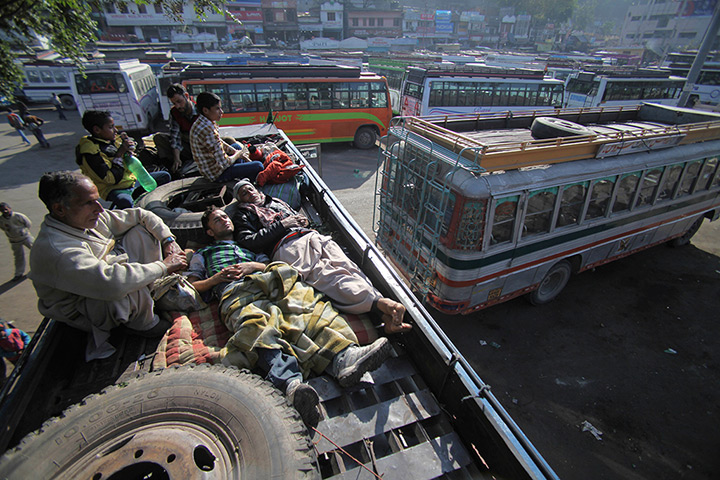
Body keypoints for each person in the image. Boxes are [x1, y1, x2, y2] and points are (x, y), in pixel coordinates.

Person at [187, 206, 393, 426]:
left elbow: (269, 265)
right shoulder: (203, 255)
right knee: (255, 326)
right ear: (209, 232)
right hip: (236, 291)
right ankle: (291, 385)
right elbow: (191, 285)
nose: (224, 220)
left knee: (308, 305)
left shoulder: (247, 246)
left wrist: (252, 266)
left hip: (269, 282)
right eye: (217, 220)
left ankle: (344, 358)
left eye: (225, 216)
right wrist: (216, 279)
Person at [29, 171, 188, 359]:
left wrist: (168, 240)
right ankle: (144, 324)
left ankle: (150, 294)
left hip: (109, 275)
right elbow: (112, 283)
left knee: (141, 231)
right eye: (89, 203)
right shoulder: (57, 250)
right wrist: (165, 266)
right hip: (86, 307)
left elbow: (141, 215)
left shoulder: (88, 219)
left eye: (97, 200)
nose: (99, 208)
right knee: (123, 284)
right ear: (60, 209)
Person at [232, 179, 413, 335]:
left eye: (250, 188)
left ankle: (384, 316)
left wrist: (302, 221)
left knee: (348, 267)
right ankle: (382, 304)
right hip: (289, 247)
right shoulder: (244, 214)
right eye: (243, 193)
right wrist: (282, 225)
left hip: (311, 236)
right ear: (241, 200)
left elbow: (295, 217)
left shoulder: (275, 202)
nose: (249, 193)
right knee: (326, 276)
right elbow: (248, 241)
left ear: (256, 189)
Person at [76, 110, 171, 209]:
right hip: (114, 188)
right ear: (97, 130)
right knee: (126, 202)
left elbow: (131, 144)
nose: (115, 130)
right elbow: (111, 180)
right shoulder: (90, 152)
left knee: (164, 176)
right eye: (110, 127)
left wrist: (130, 146)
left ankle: (142, 199)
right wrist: (120, 153)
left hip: (130, 181)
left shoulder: (111, 139)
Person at [189, 91, 264, 182]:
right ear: (205, 110)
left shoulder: (203, 122)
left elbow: (219, 142)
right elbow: (225, 163)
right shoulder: (207, 130)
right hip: (216, 174)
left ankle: (239, 173)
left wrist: (237, 152)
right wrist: (238, 154)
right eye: (217, 109)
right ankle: (242, 179)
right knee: (258, 166)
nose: (221, 112)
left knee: (236, 147)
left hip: (212, 165)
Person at [153, 84, 198, 175]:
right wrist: (177, 159)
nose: (178, 106)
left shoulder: (200, 110)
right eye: (174, 103)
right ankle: (171, 167)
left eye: (179, 101)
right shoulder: (174, 113)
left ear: (186, 96)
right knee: (159, 138)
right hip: (185, 147)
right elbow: (175, 137)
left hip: (200, 146)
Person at [0, 202, 34, 281]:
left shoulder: (18, 216)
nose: (5, 211)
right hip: (14, 241)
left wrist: (23, 232)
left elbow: (28, 224)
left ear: (9, 208)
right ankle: (19, 273)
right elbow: (3, 228)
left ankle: (42, 268)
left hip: (25, 237)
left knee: (36, 251)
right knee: (18, 257)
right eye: (2, 210)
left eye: (6, 209)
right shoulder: (1, 220)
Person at [0, 320, 31, 385]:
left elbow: (26, 337)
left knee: (30, 365)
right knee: (21, 368)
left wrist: (26, 347)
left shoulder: (15, 332)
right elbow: (1, 353)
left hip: (25, 353)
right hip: (13, 358)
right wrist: (14, 354)